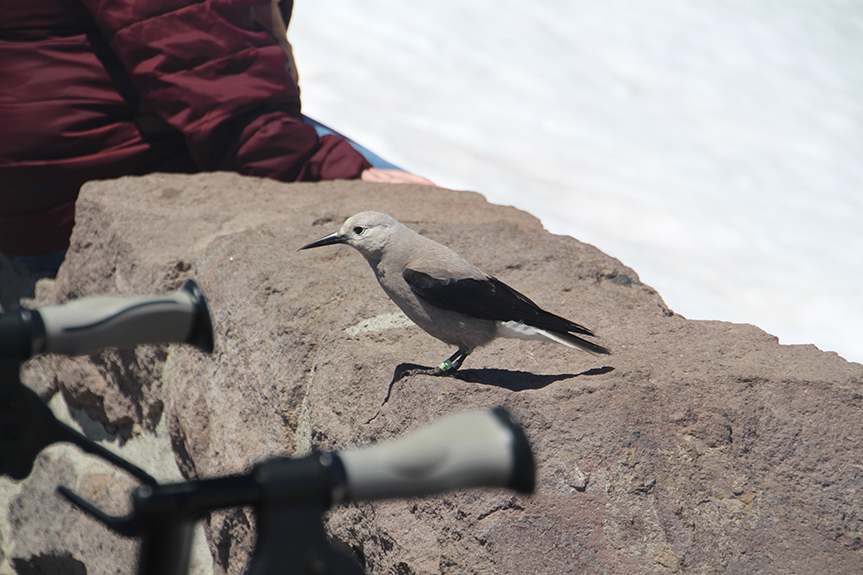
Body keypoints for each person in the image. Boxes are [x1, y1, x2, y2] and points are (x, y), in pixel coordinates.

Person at [0, 0, 433, 271]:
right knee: (413, 214)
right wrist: (329, 168)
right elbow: (221, 89)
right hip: (71, 196)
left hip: (37, 170)